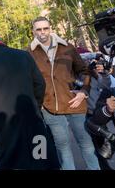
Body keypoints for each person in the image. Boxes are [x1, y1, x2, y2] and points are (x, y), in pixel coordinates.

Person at [0, 30, 60, 170]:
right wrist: (35, 105)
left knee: (11, 163)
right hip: (33, 119)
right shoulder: (24, 55)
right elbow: (40, 84)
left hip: (5, 126)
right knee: (41, 158)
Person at [28, 17, 100, 170]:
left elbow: (84, 70)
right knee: (63, 147)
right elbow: (28, 81)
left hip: (75, 102)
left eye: (45, 28)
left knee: (86, 144)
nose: (42, 32)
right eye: (39, 29)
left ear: (50, 28)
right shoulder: (29, 53)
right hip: (49, 107)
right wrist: (38, 104)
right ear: (33, 31)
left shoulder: (67, 47)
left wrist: (83, 92)